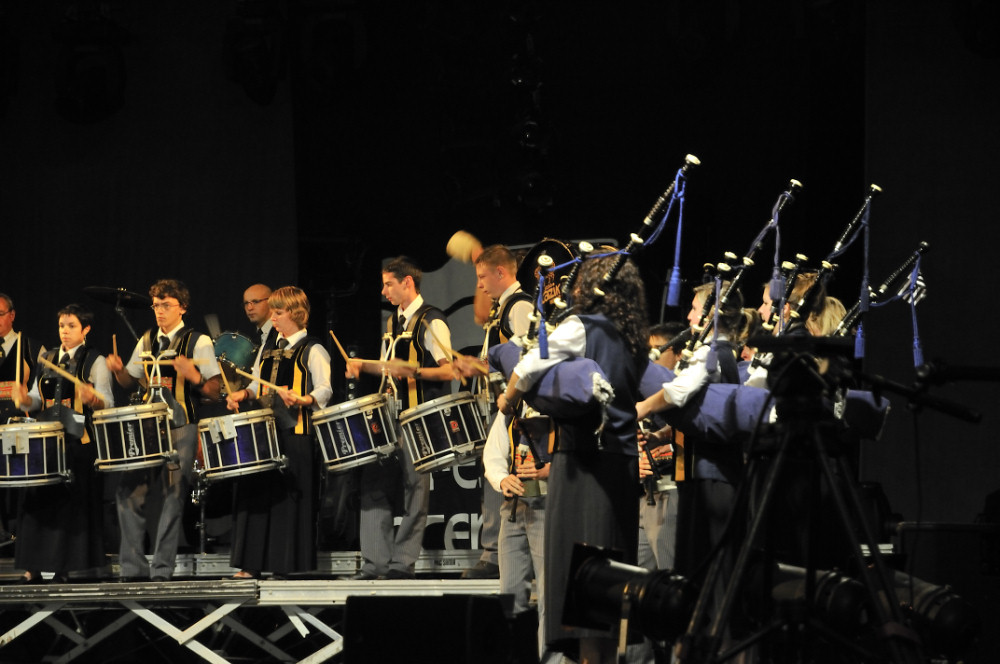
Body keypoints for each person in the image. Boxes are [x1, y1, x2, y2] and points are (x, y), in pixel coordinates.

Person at [497, 251, 648, 662]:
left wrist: (507, 398)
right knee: (607, 588)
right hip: (621, 465)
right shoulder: (632, 335)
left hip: (583, 465)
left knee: (581, 582)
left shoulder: (582, 326)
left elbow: (530, 365)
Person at [345, 256, 457, 580]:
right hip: (388, 414)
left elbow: (448, 368)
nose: (383, 291)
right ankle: (374, 564)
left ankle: (401, 564)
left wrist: (415, 371)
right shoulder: (393, 322)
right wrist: (363, 366)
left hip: (417, 416)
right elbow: (386, 368)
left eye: (388, 284)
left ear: (407, 282)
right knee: (374, 486)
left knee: (415, 490)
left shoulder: (431, 320)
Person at [106, 279, 222, 581]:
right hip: (147, 427)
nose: (159, 311)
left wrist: (194, 376)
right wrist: (119, 371)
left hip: (180, 425)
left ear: (182, 307)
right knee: (128, 492)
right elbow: (131, 381)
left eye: (165, 305)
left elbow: (215, 390)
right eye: (155, 305)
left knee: (173, 495)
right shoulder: (146, 339)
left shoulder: (198, 342)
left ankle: (162, 569)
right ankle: (132, 568)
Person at [226, 286, 332, 578]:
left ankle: (285, 566)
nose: (272, 317)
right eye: (271, 311)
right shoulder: (269, 348)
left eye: (278, 311)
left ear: (296, 313)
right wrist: (241, 395)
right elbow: (255, 385)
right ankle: (251, 565)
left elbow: (324, 390)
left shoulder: (313, 348)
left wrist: (303, 398)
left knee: (288, 500)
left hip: (297, 433)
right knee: (256, 495)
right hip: (265, 433)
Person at [11, 304, 112, 584]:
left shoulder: (95, 360)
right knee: (36, 503)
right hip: (46, 443)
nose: (64, 332)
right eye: (61, 326)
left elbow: (108, 401)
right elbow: (36, 398)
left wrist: (94, 399)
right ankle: (32, 567)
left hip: (78, 442)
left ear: (86, 330)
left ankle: (64, 567)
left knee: (69, 507)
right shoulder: (48, 358)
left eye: (71, 327)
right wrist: (23, 399)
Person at [463, 244, 533, 580]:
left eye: (482, 276)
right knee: (495, 472)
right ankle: (495, 551)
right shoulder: (502, 308)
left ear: (501, 273)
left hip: (514, 404)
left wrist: (505, 392)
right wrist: (476, 365)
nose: (479, 284)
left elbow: (526, 360)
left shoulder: (520, 307)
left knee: (506, 472)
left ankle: (496, 555)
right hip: (504, 402)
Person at [483, 411, 551, 659]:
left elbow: (585, 451)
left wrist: (553, 469)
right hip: (513, 509)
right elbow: (493, 453)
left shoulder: (561, 399)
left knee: (548, 598)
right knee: (509, 597)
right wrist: (502, 479)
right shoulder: (512, 407)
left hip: (548, 506)